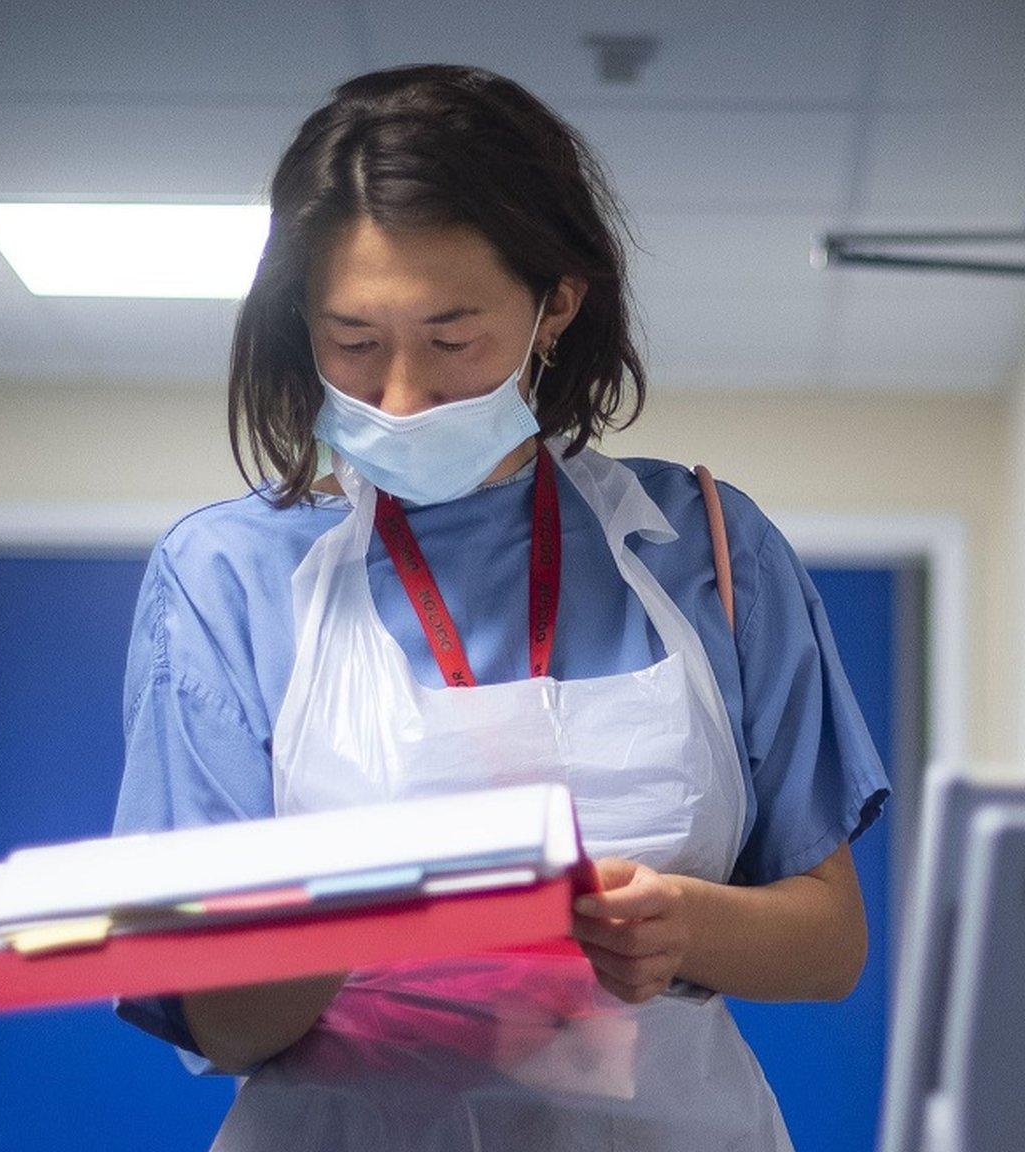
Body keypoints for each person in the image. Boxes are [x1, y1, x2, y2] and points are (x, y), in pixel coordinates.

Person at [111, 63, 890, 1152]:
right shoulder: (225, 577)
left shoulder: (706, 549)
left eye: (451, 339)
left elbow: (829, 945)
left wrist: (684, 925)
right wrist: (350, 908)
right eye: (351, 342)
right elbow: (218, 1022)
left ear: (555, 300)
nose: (397, 395)